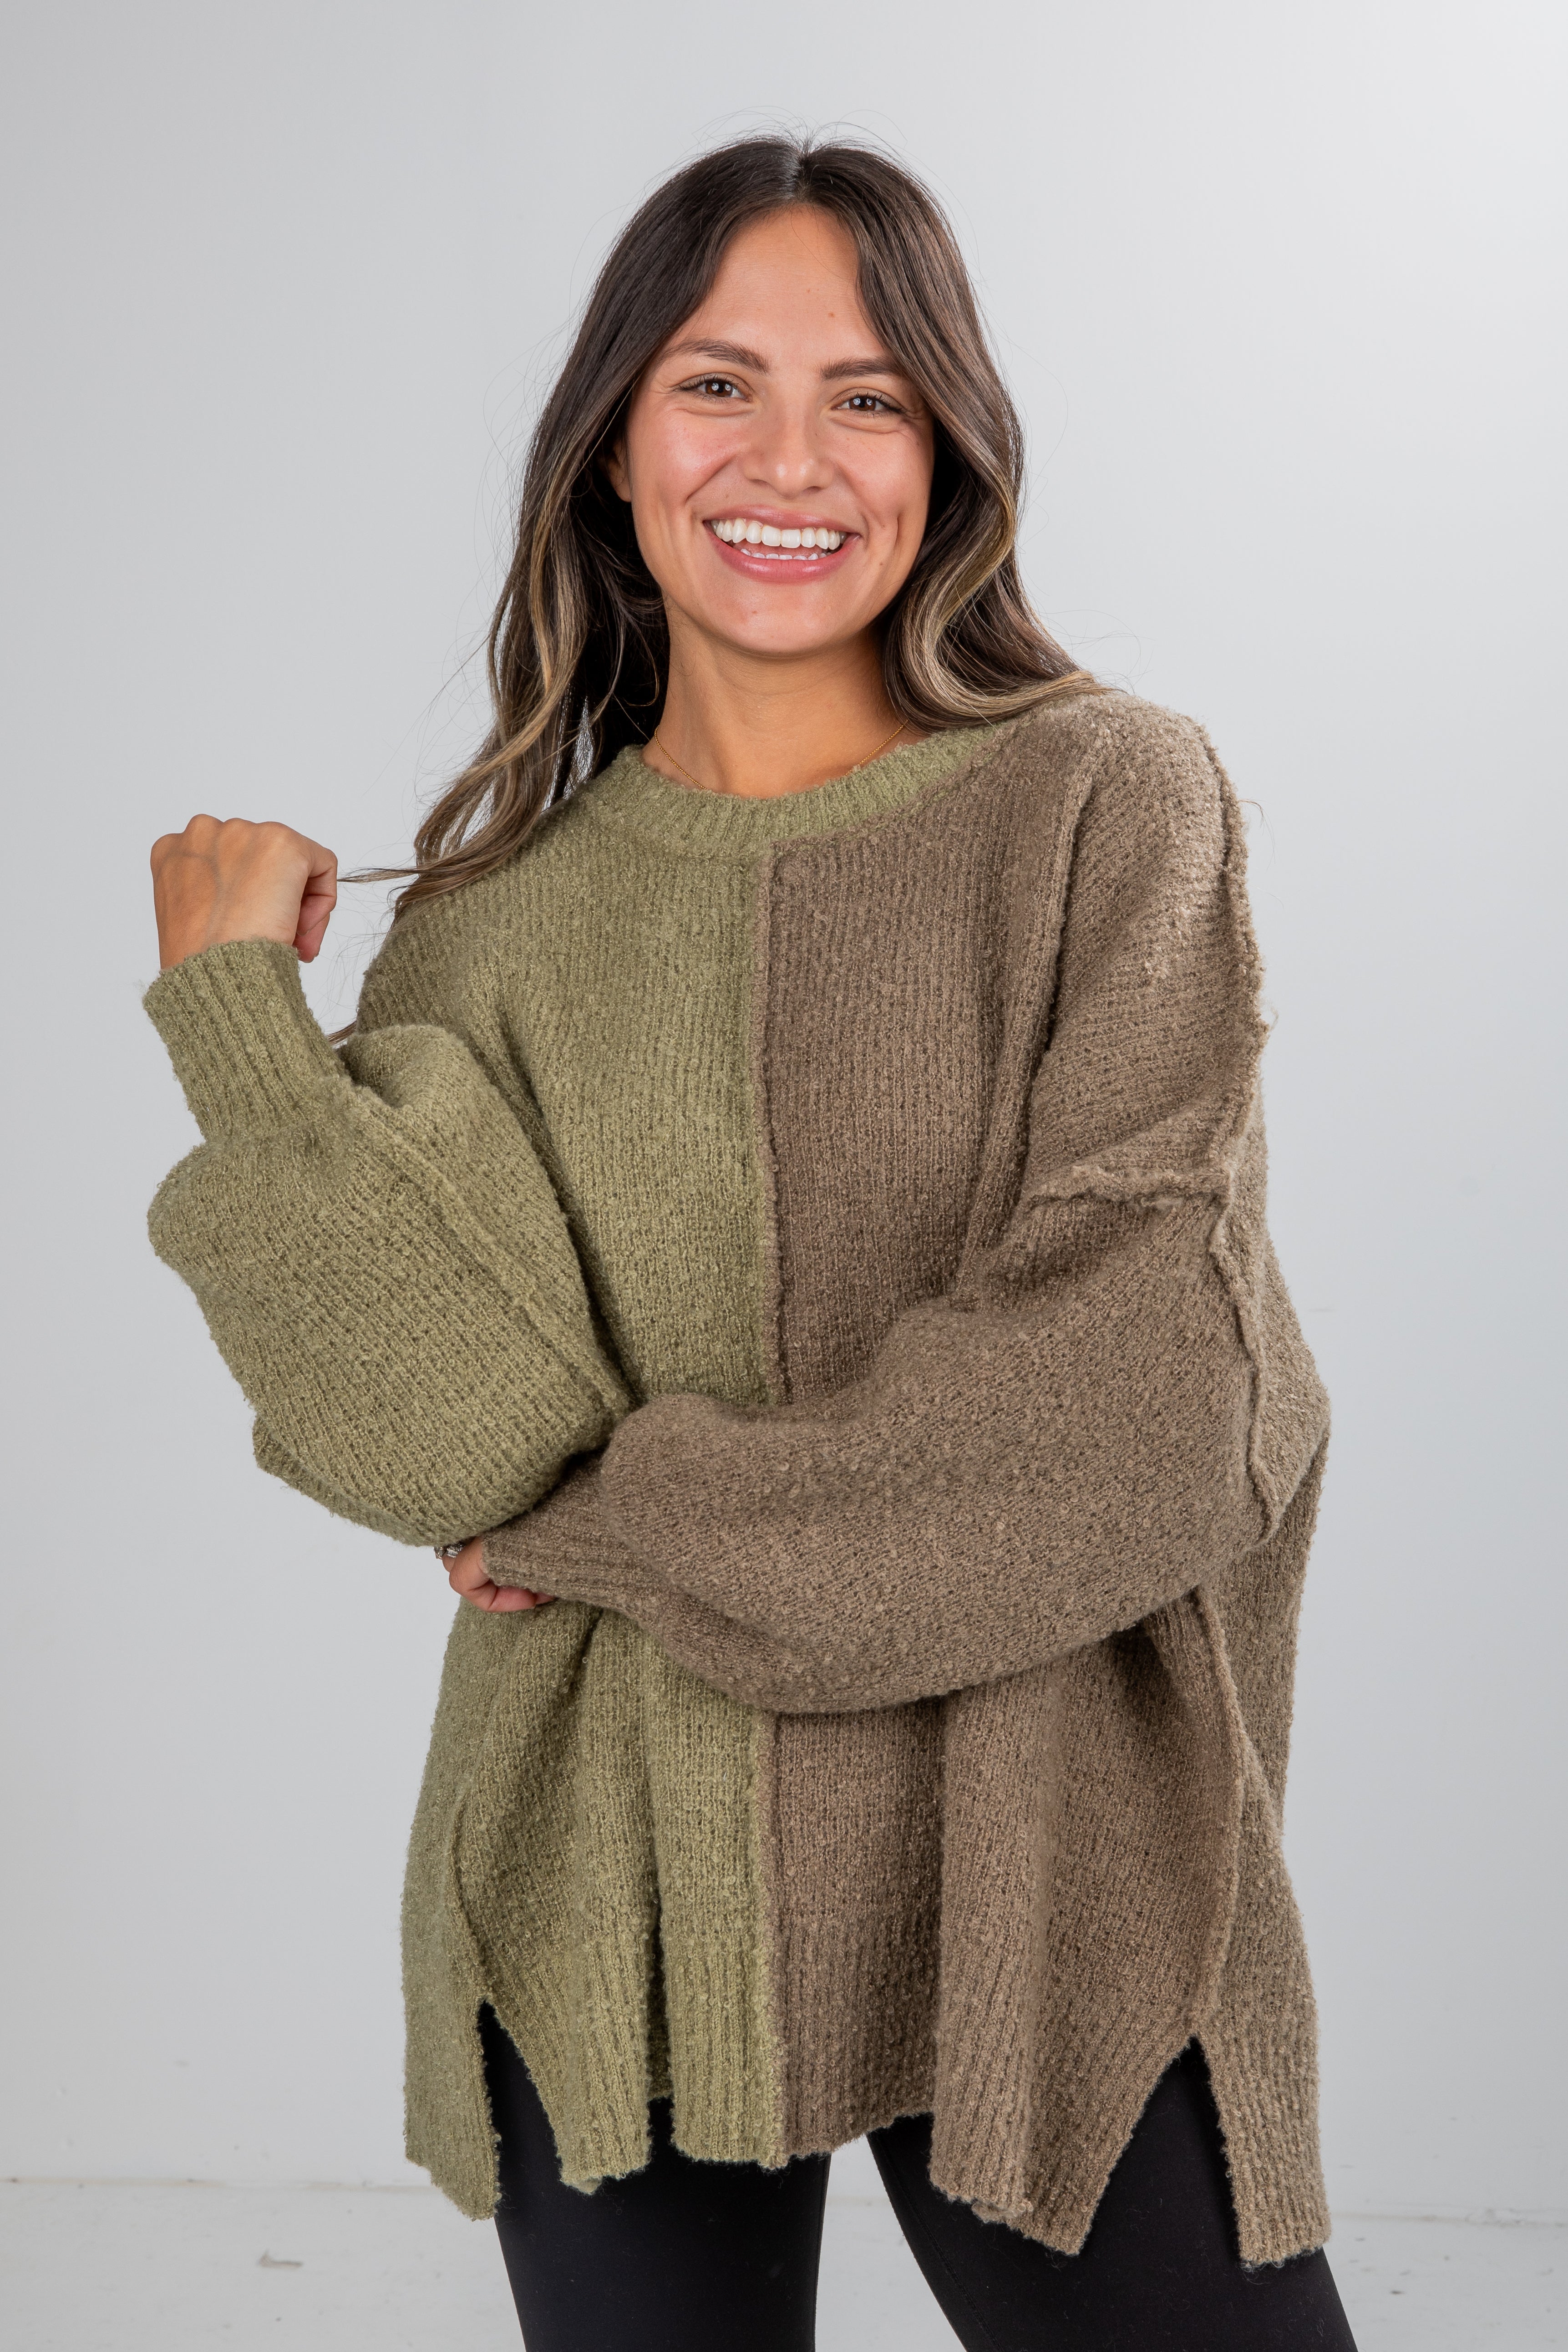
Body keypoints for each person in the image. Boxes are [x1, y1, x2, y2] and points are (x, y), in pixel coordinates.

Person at [144, 135, 1357, 2352]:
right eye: (717, 383)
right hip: (606, 1877)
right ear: (614, 445)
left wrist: (593, 1516)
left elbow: (1147, 1402)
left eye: (866, 396)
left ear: (946, 457)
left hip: (1043, 1880)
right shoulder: (490, 924)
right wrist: (238, 1020)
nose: (789, 458)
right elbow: (429, 1434)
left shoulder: (1102, 801)